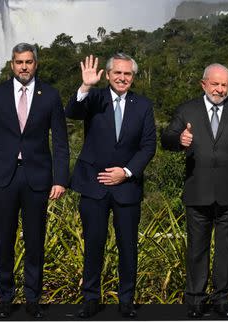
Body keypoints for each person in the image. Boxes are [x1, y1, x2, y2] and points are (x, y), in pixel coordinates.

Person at [0, 43, 69, 319]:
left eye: (28, 62)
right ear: (11, 65)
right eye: (18, 62)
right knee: (3, 239)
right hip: (4, 177)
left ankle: (33, 298)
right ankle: (5, 297)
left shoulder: (49, 95)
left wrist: (60, 178)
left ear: (35, 64)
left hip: (38, 177)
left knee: (35, 240)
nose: (23, 66)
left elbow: (60, 141)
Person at [161, 63, 228, 318]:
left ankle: (222, 299)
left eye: (224, 85)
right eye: (215, 84)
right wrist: (179, 140)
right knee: (197, 248)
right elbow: (166, 139)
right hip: (198, 190)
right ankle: (195, 300)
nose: (219, 89)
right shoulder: (187, 110)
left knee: (227, 249)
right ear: (203, 84)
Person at [65, 54, 156, 318]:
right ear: (107, 75)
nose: (122, 78)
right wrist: (85, 87)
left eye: (127, 74)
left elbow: (148, 145)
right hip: (94, 186)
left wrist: (126, 172)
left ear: (133, 77)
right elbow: (71, 112)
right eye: (117, 73)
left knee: (128, 246)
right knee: (94, 243)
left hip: (127, 187)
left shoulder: (143, 105)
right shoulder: (94, 98)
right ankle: (91, 298)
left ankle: (126, 300)